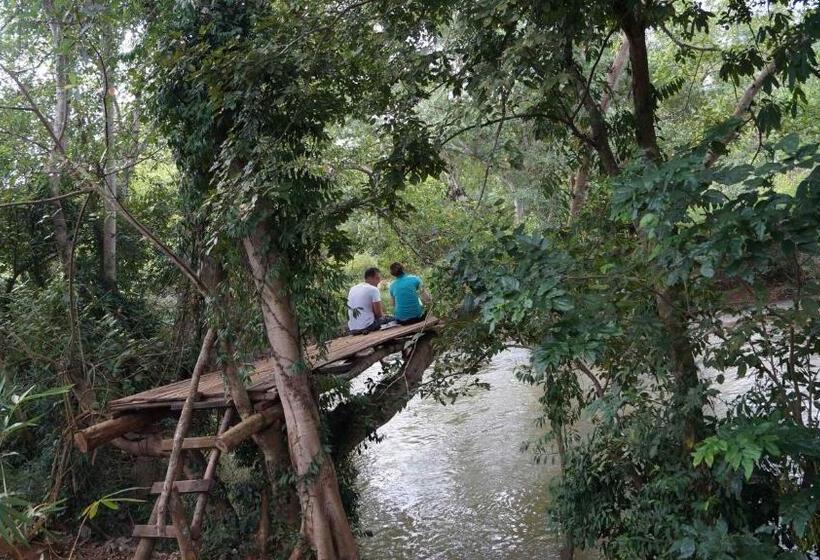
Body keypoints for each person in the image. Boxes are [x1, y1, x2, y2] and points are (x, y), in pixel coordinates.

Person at [347, 267, 394, 335]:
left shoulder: (353, 288)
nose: (379, 281)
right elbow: (379, 314)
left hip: (353, 329)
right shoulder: (373, 289)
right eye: (377, 278)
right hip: (367, 327)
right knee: (395, 319)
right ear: (370, 278)